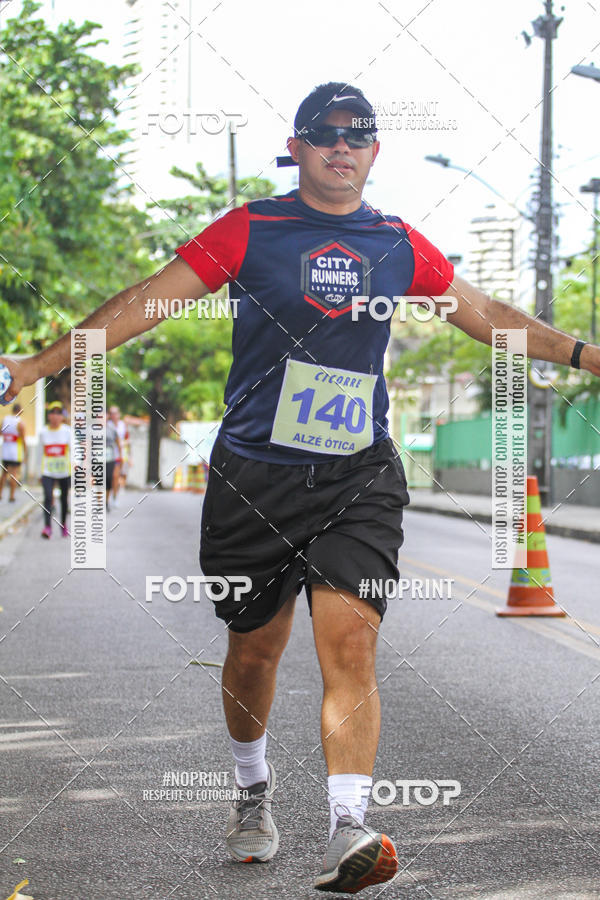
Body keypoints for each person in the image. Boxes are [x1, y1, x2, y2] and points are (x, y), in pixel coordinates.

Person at [1, 81, 599, 893]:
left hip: (359, 474)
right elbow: (146, 303)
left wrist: (584, 356)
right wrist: (39, 366)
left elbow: (486, 311)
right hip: (254, 477)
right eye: (325, 133)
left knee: (350, 643)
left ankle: (348, 826)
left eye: (358, 135)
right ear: (300, 147)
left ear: (375, 152)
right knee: (254, 650)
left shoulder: (399, 243)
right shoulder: (251, 229)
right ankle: (252, 792)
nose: (342, 146)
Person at [39, 401, 70, 539]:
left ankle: (63, 524)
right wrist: (37, 471)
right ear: (49, 416)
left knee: (64, 499)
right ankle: (47, 527)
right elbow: (39, 452)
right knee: (48, 497)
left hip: (64, 471)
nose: (56, 416)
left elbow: (76, 450)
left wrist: (76, 463)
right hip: (47, 471)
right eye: (53, 412)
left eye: (59, 413)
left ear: (62, 417)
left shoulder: (67, 431)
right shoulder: (43, 432)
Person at [0, 402, 26, 503]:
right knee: (14, 474)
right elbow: (23, 439)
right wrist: (25, 452)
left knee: (3, 474)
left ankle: (0, 493)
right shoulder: (20, 423)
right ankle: (11, 495)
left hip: (6, 450)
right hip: (15, 452)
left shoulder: (5, 420)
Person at [105, 408, 122, 512]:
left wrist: (121, 457)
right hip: (98, 458)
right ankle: (100, 503)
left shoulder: (113, 428)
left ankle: (112, 498)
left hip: (112, 457)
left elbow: (119, 443)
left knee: (112, 478)